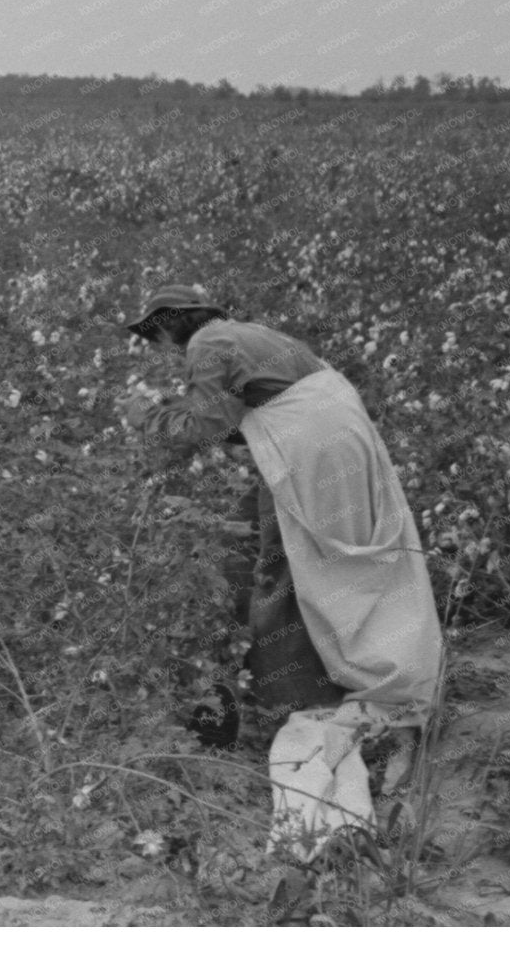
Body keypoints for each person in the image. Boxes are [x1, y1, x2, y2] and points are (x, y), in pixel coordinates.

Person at [119, 284, 442, 863]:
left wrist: (149, 419)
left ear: (172, 324)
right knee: (316, 549)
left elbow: (208, 422)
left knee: (283, 560)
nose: (160, 348)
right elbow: (255, 413)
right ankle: (349, 655)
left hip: (310, 450)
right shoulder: (257, 335)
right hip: (340, 437)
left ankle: (293, 691)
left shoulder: (210, 341)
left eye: (156, 335)